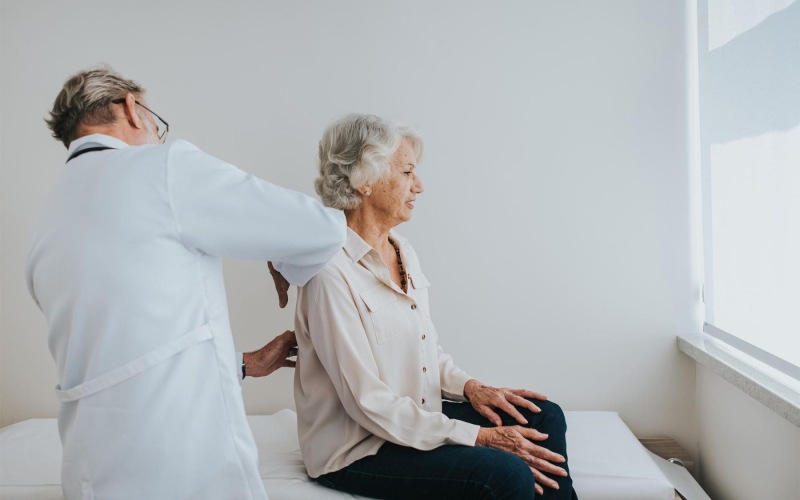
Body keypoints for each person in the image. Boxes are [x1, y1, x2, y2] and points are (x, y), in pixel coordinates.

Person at [25, 66, 346, 500]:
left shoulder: (47, 219)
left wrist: (242, 365)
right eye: (156, 120)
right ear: (131, 108)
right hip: (178, 468)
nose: (158, 132)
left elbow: (117, 351)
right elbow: (321, 229)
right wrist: (278, 251)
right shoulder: (163, 166)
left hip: (87, 473)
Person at [294, 114, 578, 499]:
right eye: (407, 172)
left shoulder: (403, 250)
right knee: (508, 474)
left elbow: (424, 350)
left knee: (545, 417)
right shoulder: (329, 273)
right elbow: (366, 402)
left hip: (415, 421)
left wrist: (472, 388)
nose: (420, 186)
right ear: (364, 180)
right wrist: (477, 436)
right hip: (360, 448)